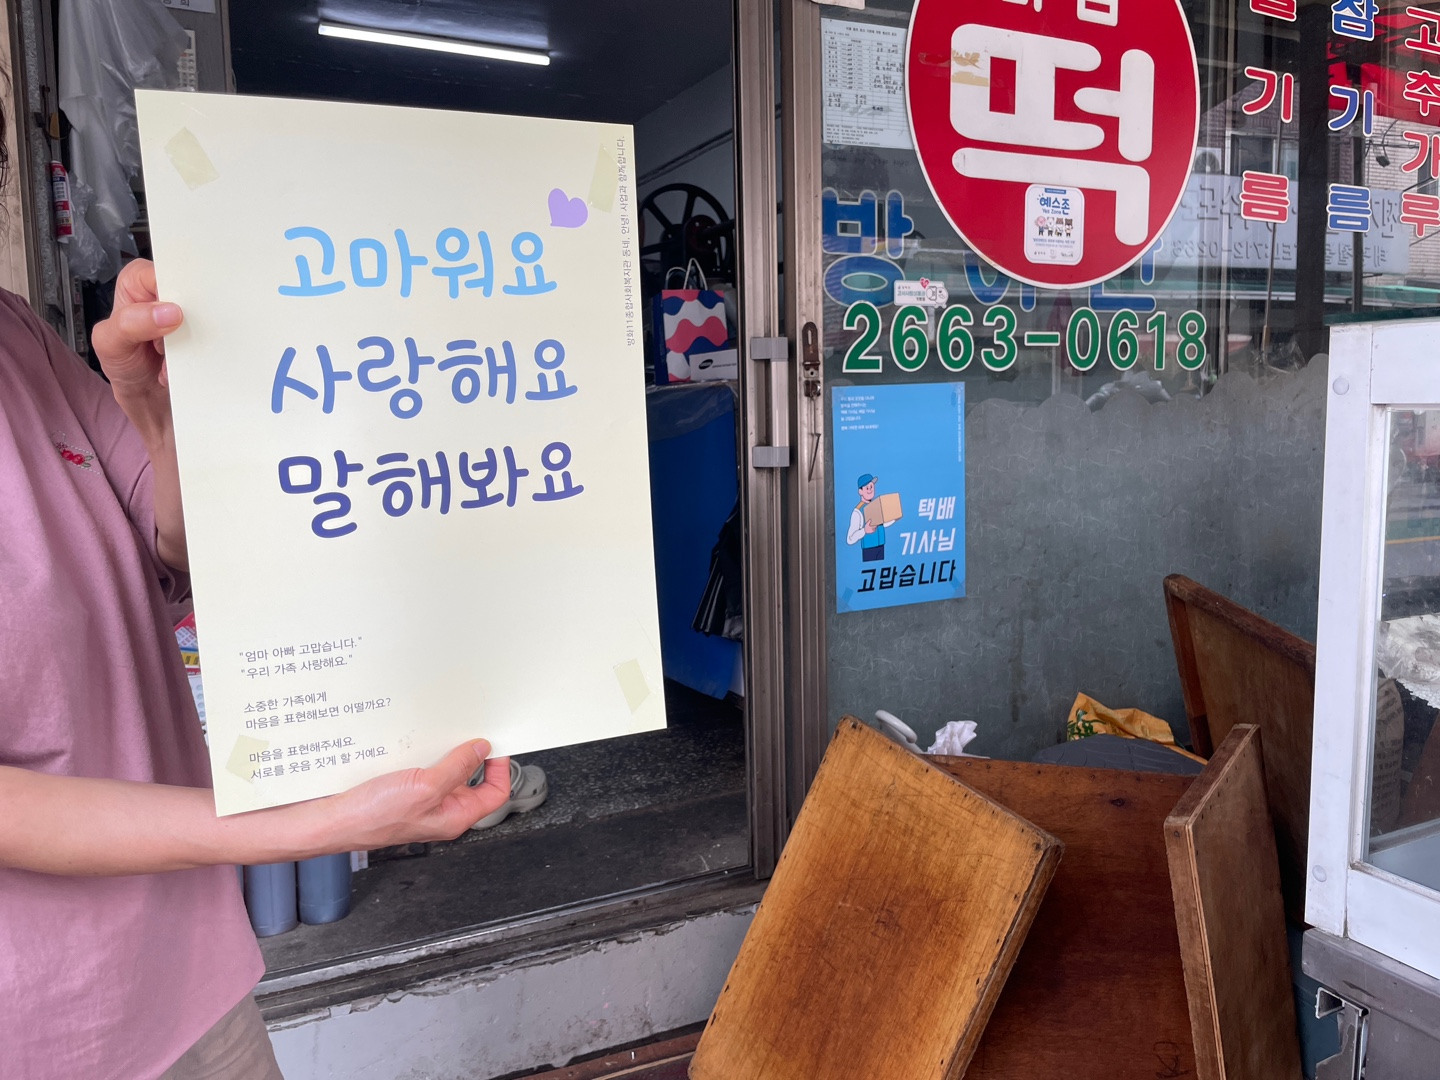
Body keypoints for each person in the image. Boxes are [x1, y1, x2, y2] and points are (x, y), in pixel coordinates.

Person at [0, 256, 514, 1079]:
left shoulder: (14, 329)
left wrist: (157, 415)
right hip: (41, 1027)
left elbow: (177, 545)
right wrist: (319, 823)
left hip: (192, 972)